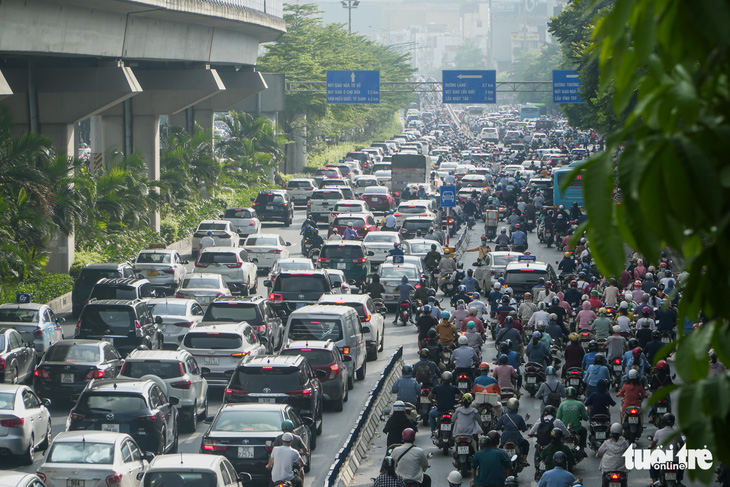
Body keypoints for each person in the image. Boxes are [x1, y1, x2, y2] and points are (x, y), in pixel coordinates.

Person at [649, 413, 684, 485]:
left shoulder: (658, 432)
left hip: (661, 460)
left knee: (652, 463)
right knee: (682, 463)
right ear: (673, 422)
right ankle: (679, 481)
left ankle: (654, 482)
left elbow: (652, 445)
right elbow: (682, 445)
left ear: (663, 422)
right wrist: (679, 449)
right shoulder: (676, 433)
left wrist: (650, 447)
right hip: (674, 460)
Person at [495, 398, 530, 463]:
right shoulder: (519, 417)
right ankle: (524, 460)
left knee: (500, 448)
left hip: (505, 437)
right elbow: (524, 429)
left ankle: (497, 461)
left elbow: (497, 427)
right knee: (526, 444)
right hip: (516, 437)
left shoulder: (504, 416)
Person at [428, 371, 462, 437]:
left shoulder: (437, 388)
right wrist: (460, 401)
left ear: (442, 379)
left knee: (431, 414)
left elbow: (429, 396)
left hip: (439, 411)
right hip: (451, 411)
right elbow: (462, 396)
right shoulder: (454, 388)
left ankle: (433, 431)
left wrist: (432, 401)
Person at [557, 386, 588, 452]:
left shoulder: (562, 405)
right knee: (584, 431)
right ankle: (582, 448)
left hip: (564, 429)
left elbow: (558, 418)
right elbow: (586, 418)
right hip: (577, 429)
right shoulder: (580, 404)